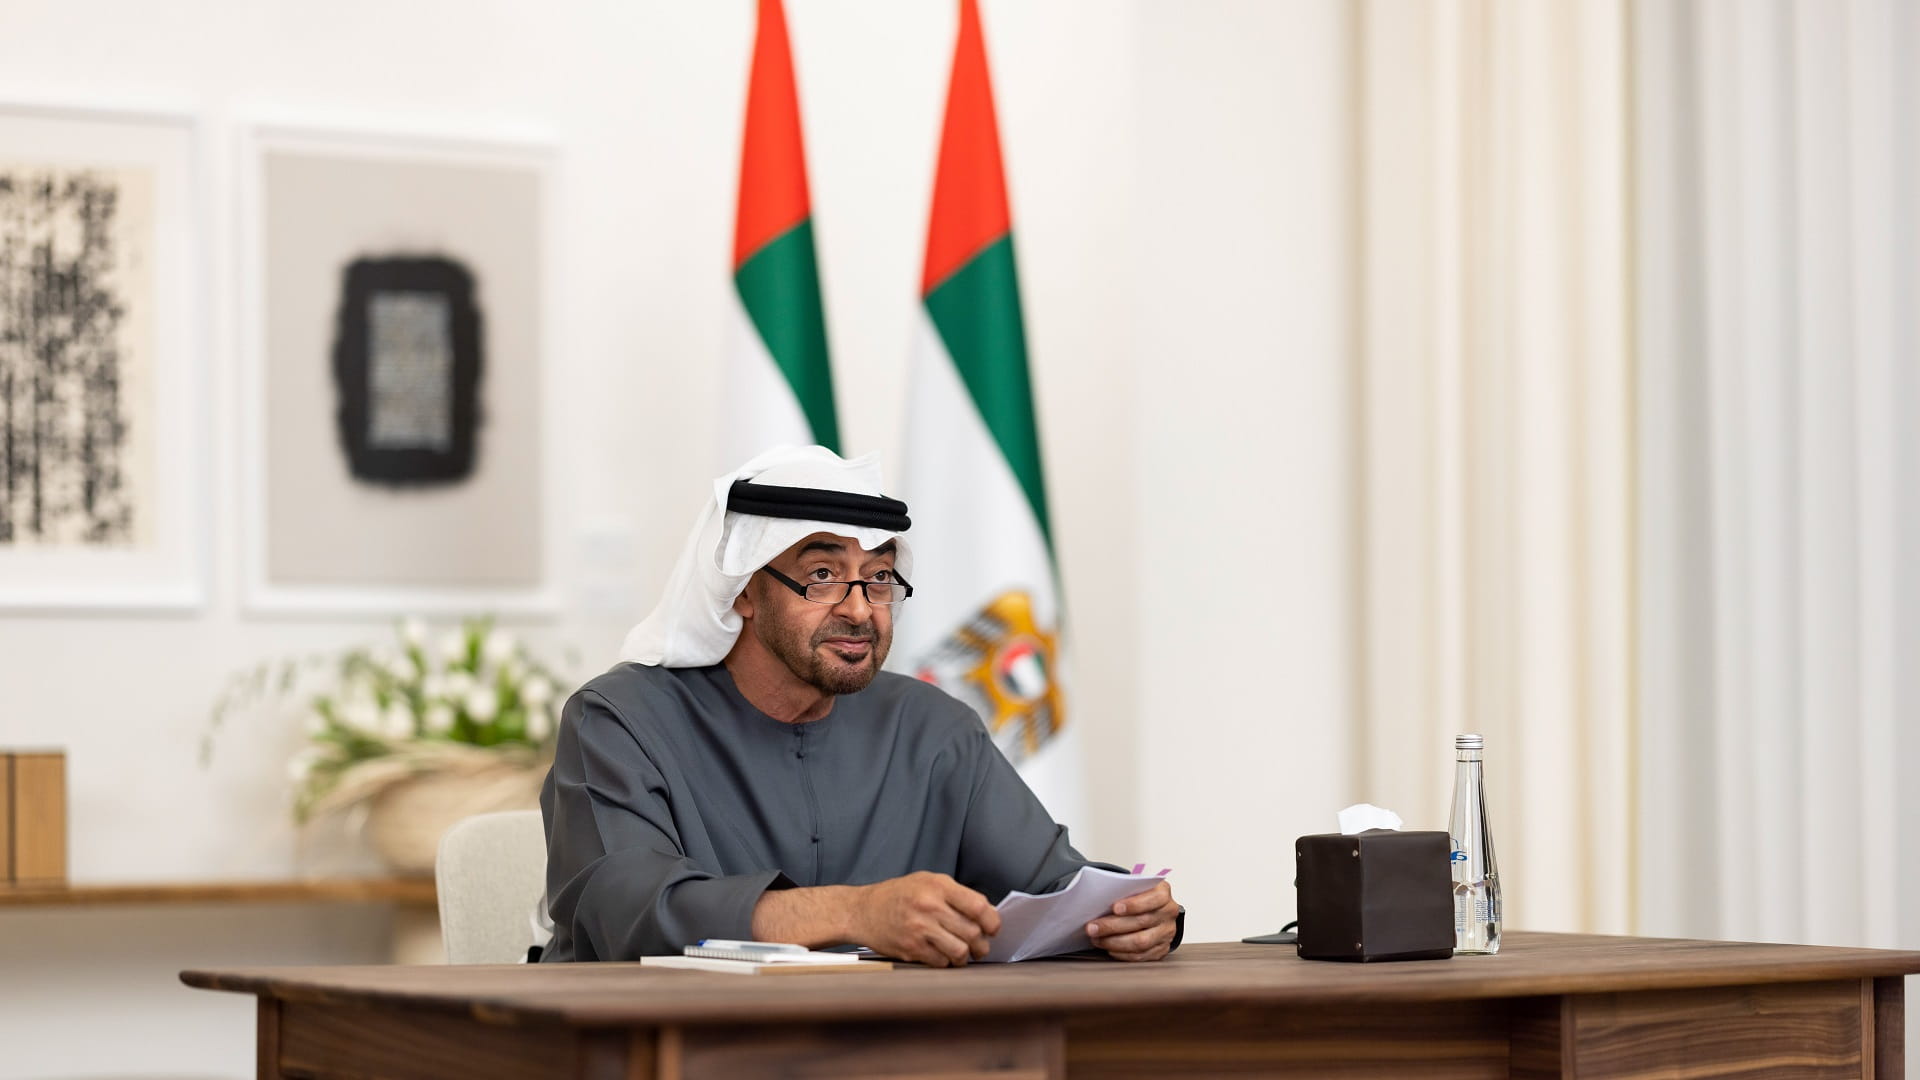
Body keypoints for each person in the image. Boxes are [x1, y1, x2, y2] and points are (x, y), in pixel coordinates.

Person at [537, 446, 1181, 966]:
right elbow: (624, 910)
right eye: (821, 575)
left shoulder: (930, 727)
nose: (858, 607)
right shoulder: (621, 718)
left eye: (878, 578)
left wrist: (1132, 918)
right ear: (743, 593)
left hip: (888, 1052)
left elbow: (1052, 886)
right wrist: (853, 913)